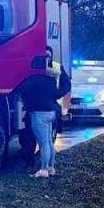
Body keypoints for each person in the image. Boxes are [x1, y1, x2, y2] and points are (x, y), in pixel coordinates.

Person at [18, 48, 71, 178]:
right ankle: (49, 167)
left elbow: (23, 90)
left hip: (40, 112)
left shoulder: (35, 78)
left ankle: (43, 169)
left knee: (44, 143)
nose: (47, 58)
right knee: (47, 141)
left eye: (48, 56)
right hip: (51, 110)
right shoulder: (51, 78)